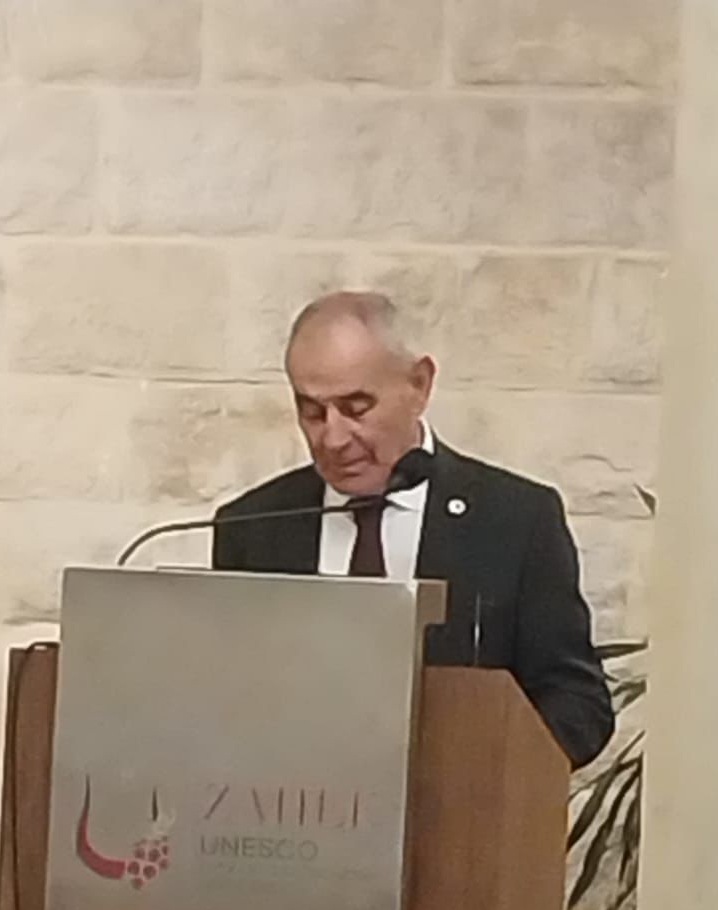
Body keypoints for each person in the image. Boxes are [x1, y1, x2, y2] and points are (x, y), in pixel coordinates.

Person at [213, 291, 614, 768]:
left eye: (356, 407)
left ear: (419, 385)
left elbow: (576, 702)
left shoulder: (516, 519)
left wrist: (491, 770)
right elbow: (229, 701)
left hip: (464, 806)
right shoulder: (253, 527)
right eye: (312, 412)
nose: (333, 438)